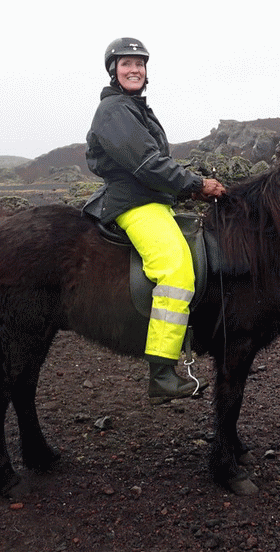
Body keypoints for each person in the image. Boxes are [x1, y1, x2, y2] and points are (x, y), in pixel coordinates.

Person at [83, 37, 226, 404]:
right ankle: (162, 373)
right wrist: (195, 185)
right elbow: (147, 164)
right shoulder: (115, 110)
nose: (134, 69)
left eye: (140, 64)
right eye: (126, 64)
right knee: (176, 272)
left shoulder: (135, 109)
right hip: (135, 204)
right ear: (113, 71)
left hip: (154, 201)